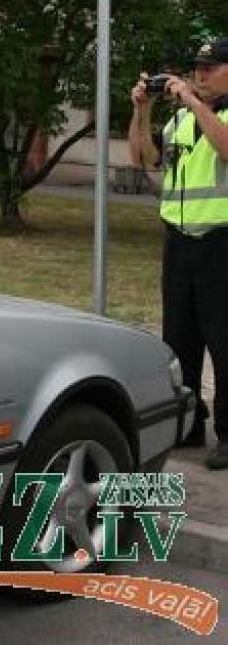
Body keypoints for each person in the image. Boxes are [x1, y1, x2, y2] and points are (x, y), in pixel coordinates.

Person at [128, 37, 228, 471]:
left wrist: (192, 99)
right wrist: (142, 111)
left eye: (210, 68)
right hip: (180, 242)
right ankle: (189, 423)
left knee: (224, 344)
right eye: (196, 68)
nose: (199, 75)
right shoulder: (183, 119)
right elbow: (142, 158)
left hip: (222, 243)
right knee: (180, 339)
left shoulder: (209, 114)